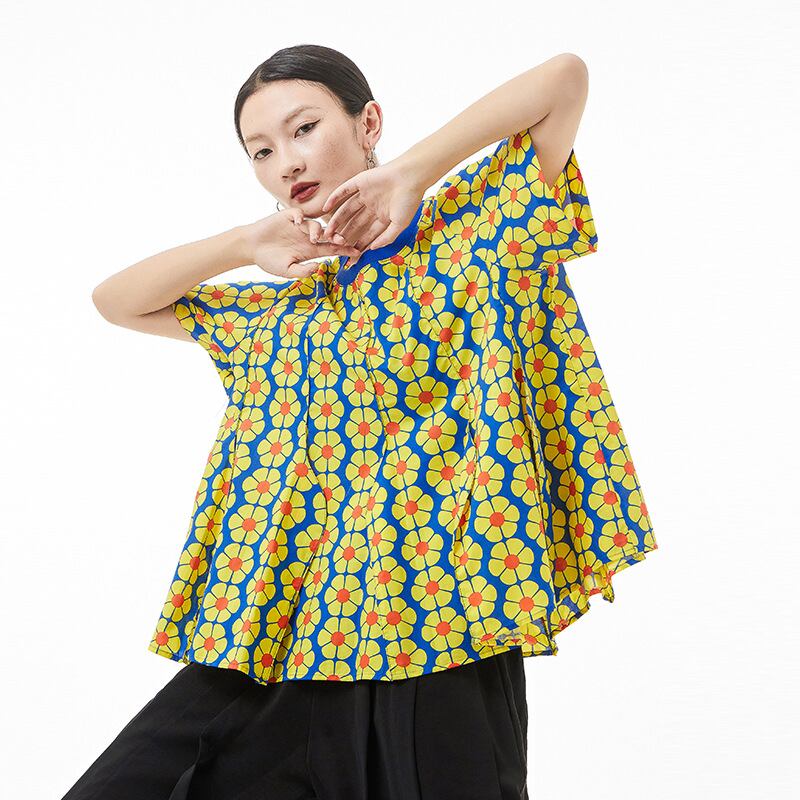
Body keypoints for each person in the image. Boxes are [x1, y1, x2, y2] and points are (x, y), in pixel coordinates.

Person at [63, 43, 657, 799]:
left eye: (304, 128)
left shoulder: (479, 235)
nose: (286, 162)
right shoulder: (278, 314)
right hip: (286, 647)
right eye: (261, 151)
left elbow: (562, 79)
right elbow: (116, 300)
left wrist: (409, 174)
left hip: (449, 632)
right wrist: (244, 243)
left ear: (367, 122)